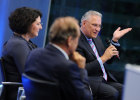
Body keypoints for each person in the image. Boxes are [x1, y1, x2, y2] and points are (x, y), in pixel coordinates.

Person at [23, 17, 93, 100]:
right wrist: (81, 69)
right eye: (77, 39)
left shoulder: (34, 54)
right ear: (70, 40)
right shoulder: (68, 67)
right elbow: (85, 98)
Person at [76, 10, 132, 100]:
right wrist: (103, 58)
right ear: (84, 23)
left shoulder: (96, 38)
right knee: (112, 93)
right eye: (94, 25)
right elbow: (82, 70)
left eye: (99, 26)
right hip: (88, 81)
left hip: (104, 79)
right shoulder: (76, 40)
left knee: (126, 91)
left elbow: (108, 60)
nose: (97, 29)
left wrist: (114, 41)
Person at [2, 7, 42, 100]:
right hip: (20, 94)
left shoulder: (21, 43)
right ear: (27, 24)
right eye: (38, 24)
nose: (41, 27)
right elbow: (30, 74)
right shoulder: (18, 44)